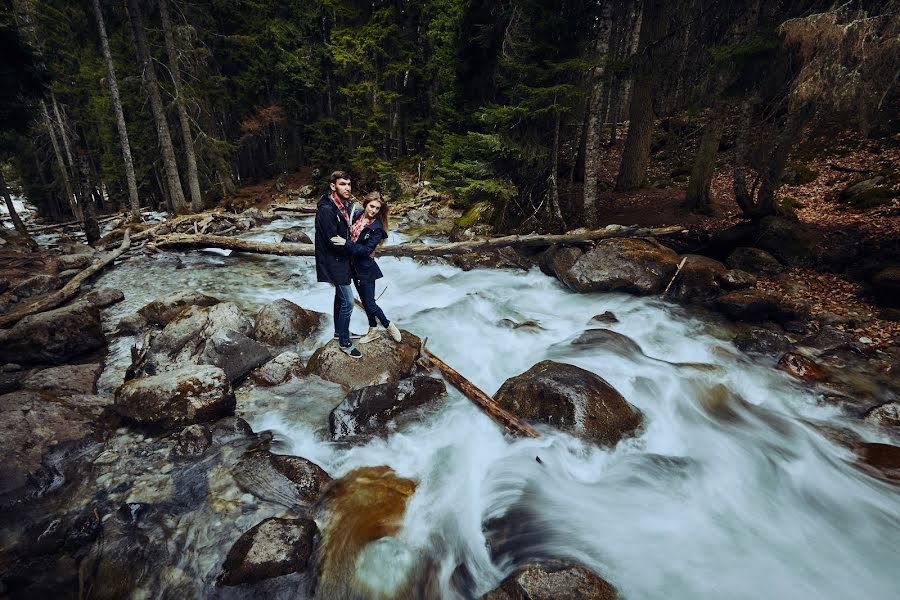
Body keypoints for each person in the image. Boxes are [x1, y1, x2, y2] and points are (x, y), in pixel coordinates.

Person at [330, 191, 401, 344]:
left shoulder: (377, 228)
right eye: (371, 206)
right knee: (364, 300)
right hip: (353, 268)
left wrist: (346, 244)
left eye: (377, 208)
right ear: (366, 204)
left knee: (369, 303)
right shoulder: (357, 214)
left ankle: (388, 325)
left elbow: (366, 251)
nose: (373, 211)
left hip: (366, 270)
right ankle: (373, 329)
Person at [314, 170, 362, 358]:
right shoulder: (327, 209)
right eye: (343, 184)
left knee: (340, 298)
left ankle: (338, 333)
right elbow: (332, 239)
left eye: (349, 184)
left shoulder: (344, 205)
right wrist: (354, 250)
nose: (347, 188)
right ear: (333, 186)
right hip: (333, 260)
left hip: (342, 258)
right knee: (349, 302)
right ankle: (344, 342)